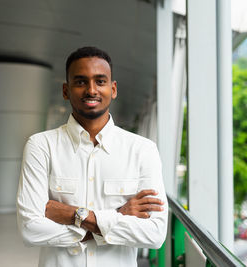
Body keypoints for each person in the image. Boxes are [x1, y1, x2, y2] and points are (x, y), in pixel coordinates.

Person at [16, 46, 168, 267]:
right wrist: (117, 216)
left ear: (113, 89)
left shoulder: (143, 150)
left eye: (100, 81)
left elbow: (154, 234)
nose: (91, 90)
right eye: (80, 82)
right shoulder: (41, 146)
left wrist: (76, 215)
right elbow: (30, 230)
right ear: (66, 91)